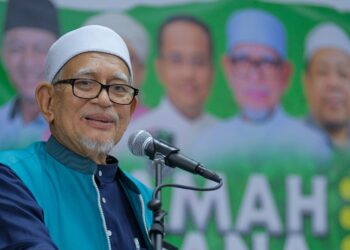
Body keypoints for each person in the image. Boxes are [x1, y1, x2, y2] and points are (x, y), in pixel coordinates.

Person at [0, 25, 153, 250]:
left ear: (130, 110)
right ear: (48, 101)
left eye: (118, 88)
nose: (104, 100)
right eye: (85, 83)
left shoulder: (141, 196)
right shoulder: (12, 176)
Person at [193, 8, 330, 167]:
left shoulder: (312, 145)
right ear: (228, 68)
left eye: (267, 62)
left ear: (285, 74)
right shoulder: (208, 144)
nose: (255, 76)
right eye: (243, 60)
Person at [0, 0, 59, 149]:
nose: (28, 62)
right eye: (16, 48)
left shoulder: (77, 125)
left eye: (40, 49)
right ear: (3, 54)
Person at [84, 12, 150, 120]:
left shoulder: (157, 128)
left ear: (141, 70)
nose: (113, 66)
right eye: (102, 55)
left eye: (125, 56)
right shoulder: (67, 124)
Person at [303, 22, 350, 152]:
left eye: (343, 74)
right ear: (307, 82)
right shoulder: (285, 145)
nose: (334, 83)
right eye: (322, 72)